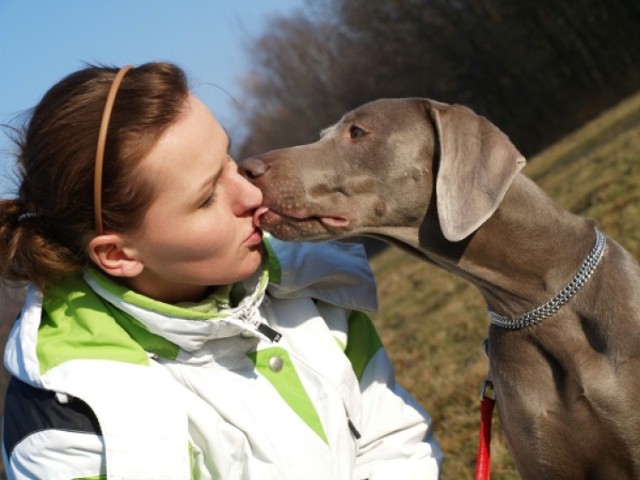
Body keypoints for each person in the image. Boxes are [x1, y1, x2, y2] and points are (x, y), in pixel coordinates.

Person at [0, 62, 442, 480]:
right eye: (207, 198)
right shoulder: (65, 418)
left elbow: (393, 443)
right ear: (118, 255)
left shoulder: (308, 282)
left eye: (229, 159)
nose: (252, 194)